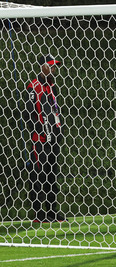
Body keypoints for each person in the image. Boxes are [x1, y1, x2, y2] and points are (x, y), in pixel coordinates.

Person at [25, 54, 65, 223]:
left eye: (55, 66)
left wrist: (58, 129)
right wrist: (40, 131)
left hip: (53, 138)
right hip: (39, 140)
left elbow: (55, 109)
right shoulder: (33, 87)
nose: (54, 69)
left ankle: (51, 211)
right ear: (42, 67)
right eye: (51, 66)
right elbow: (28, 114)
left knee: (51, 175)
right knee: (38, 174)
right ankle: (38, 212)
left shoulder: (52, 86)